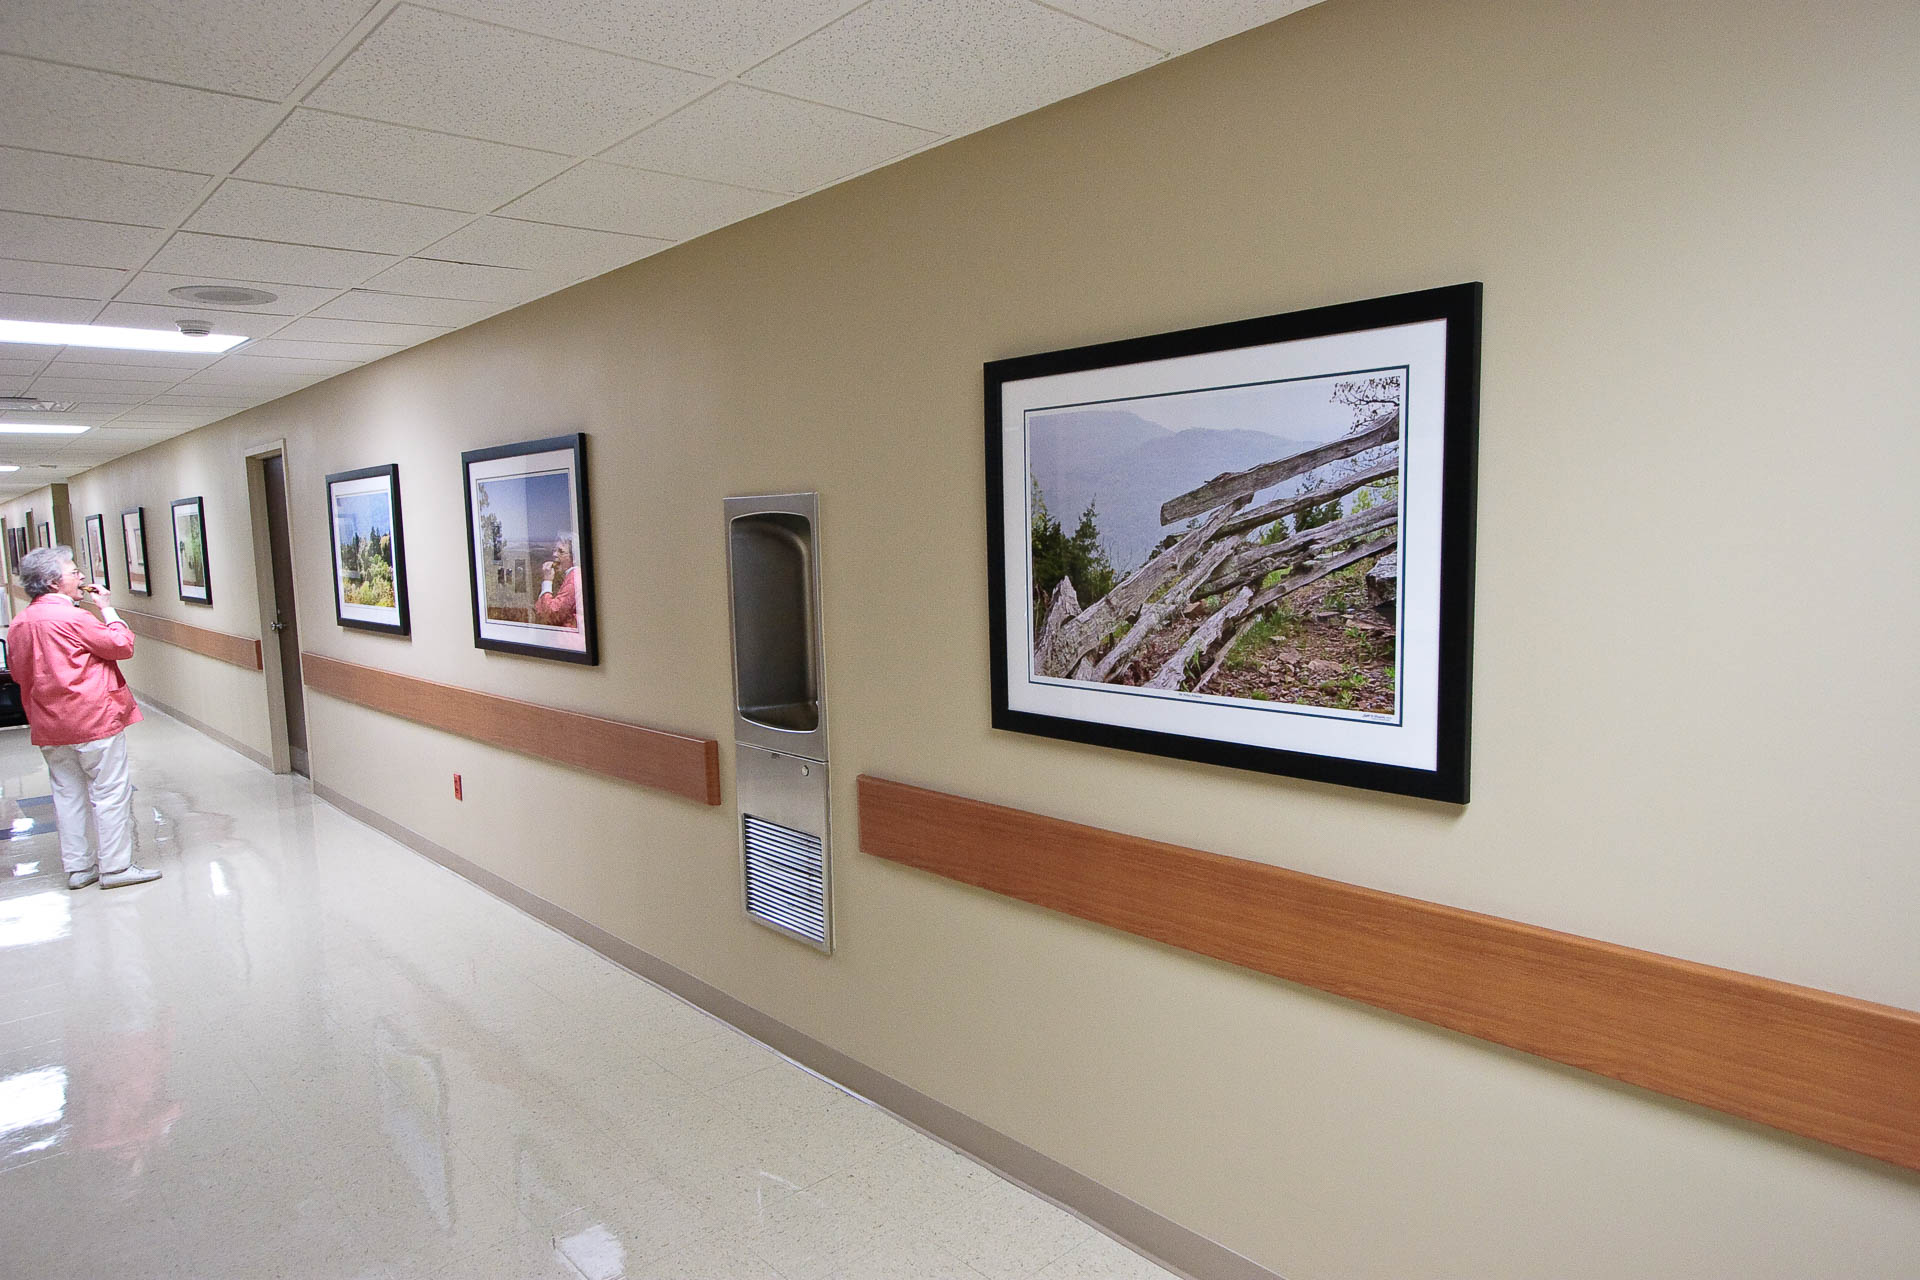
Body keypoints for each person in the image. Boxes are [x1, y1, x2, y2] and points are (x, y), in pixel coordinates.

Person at [7, 546, 158, 889]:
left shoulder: (19, 623)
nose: (81, 577)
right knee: (109, 792)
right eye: (73, 571)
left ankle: (79, 869)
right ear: (52, 581)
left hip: (49, 723)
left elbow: (18, 672)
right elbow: (122, 645)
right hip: (93, 719)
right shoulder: (74, 618)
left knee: (67, 795)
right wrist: (108, 609)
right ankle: (117, 868)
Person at [533, 535, 582, 629]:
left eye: (561, 551)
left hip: (569, 641)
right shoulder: (570, 577)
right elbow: (539, 610)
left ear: (574, 557)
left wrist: (547, 581)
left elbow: (551, 615)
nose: (555, 554)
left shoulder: (574, 579)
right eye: (554, 550)